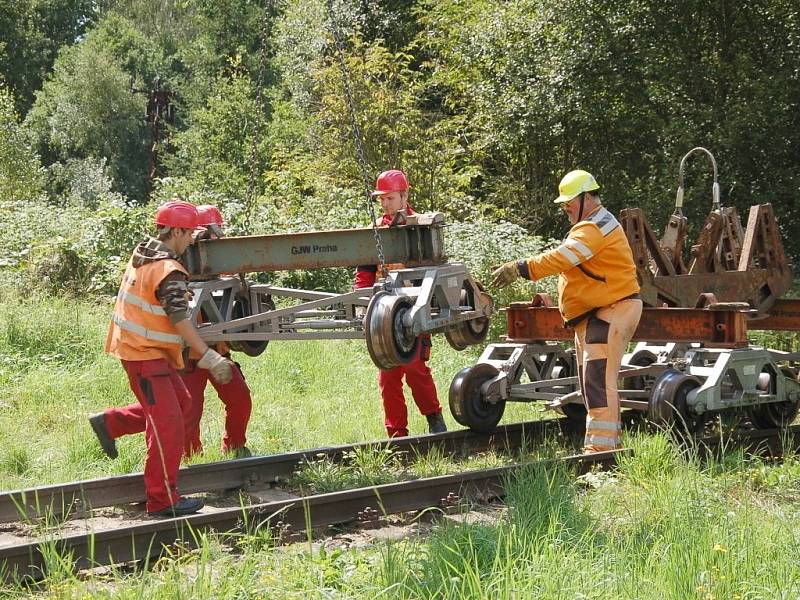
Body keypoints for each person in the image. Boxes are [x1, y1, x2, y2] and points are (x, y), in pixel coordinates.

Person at [89, 200, 234, 517]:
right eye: (191, 233)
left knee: (181, 406)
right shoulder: (169, 271)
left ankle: (110, 422)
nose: (194, 239)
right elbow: (181, 321)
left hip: (143, 352)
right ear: (178, 231)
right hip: (145, 356)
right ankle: (162, 500)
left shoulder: (145, 252)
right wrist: (208, 356)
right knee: (168, 424)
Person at [490, 170, 642, 452]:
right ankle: (605, 447)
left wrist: (521, 268)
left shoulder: (593, 228)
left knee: (597, 381)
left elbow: (562, 257)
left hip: (609, 312)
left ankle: (601, 452)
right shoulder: (595, 224)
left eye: (569, 202)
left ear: (586, 198)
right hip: (598, 314)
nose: (565, 209)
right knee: (593, 383)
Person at [355, 169, 447, 437]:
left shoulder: (421, 228)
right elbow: (364, 272)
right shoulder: (376, 233)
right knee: (388, 374)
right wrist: (362, 303)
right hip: (384, 313)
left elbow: (434, 270)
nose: (385, 204)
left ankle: (434, 418)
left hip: (412, 310)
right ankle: (396, 435)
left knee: (415, 368)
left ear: (404, 196)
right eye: (381, 199)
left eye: (390, 198)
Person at [181, 204, 253, 458]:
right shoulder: (180, 268)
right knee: (189, 410)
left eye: (216, 234)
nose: (214, 240)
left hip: (218, 352)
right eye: (210, 235)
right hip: (189, 356)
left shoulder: (222, 268)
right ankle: (189, 458)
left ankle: (235, 447)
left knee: (240, 399)